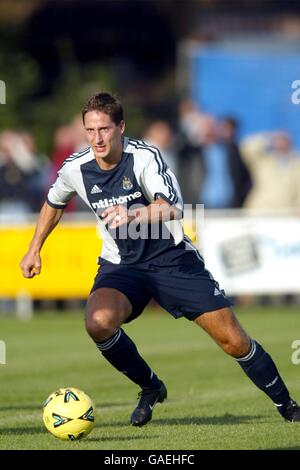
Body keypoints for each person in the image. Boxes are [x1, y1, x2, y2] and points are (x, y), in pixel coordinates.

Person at [20, 92, 300, 426]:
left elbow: (172, 206)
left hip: (171, 259)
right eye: (90, 130)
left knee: (233, 340)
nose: (97, 138)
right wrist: (35, 247)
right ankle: (151, 387)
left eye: (104, 129)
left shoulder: (144, 157)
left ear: (121, 127)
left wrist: (132, 215)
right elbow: (54, 203)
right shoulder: (75, 168)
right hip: (123, 265)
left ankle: (287, 406)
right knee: (98, 322)